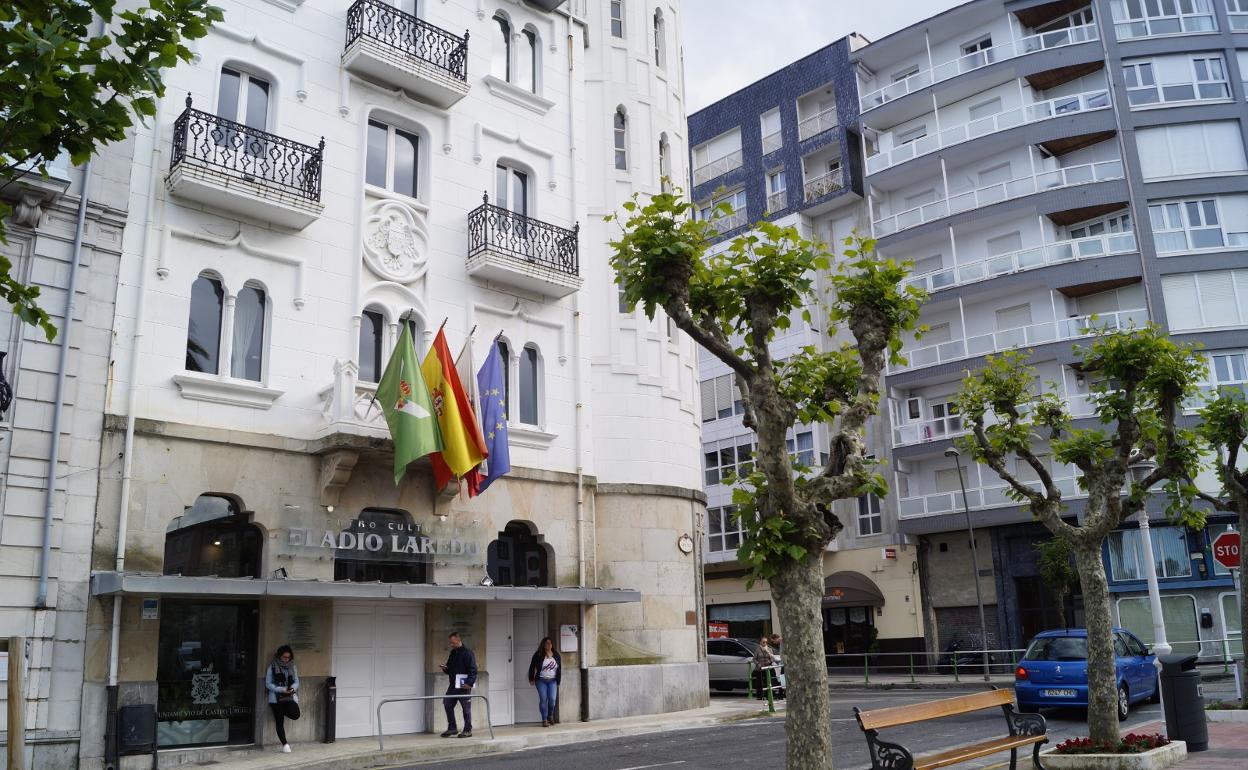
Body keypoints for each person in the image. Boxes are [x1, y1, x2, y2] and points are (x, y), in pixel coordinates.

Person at [439, 631, 478, 738]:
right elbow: (450, 668)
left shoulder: (468, 653)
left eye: (453, 642)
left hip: (464, 686)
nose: (451, 645)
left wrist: (470, 683)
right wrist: (445, 669)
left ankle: (467, 730)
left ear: (459, 640)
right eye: (450, 643)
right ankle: (452, 728)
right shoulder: (453, 653)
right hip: (453, 685)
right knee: (447, 704)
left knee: (466, 709)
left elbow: (473, 670)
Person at [265, 645, 301, 752]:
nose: (286, 659)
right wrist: (281, 689)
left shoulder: (292, 666)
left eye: (288, 657)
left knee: (296, 715)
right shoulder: (272, 666)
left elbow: (296, 681)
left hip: (289, 697)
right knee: (279, 721)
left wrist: (292, 688)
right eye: (284, 657)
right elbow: (268, 684)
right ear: (279, 656)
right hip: (275, 699)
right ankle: (285, 745)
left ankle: (281, 712)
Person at [526, 637, 562, 727]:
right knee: (543, 700)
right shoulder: (538, 654)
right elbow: (532, 666)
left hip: (552, 681)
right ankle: (544, 719)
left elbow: (559, 669)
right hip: (541, 680)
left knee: (552, 700)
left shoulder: (556, 655)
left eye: (550, 643)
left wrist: (558, 681)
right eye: (547, 643)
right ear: (543, 645)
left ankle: (550, 715)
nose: (549, 645)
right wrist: (531, 678)